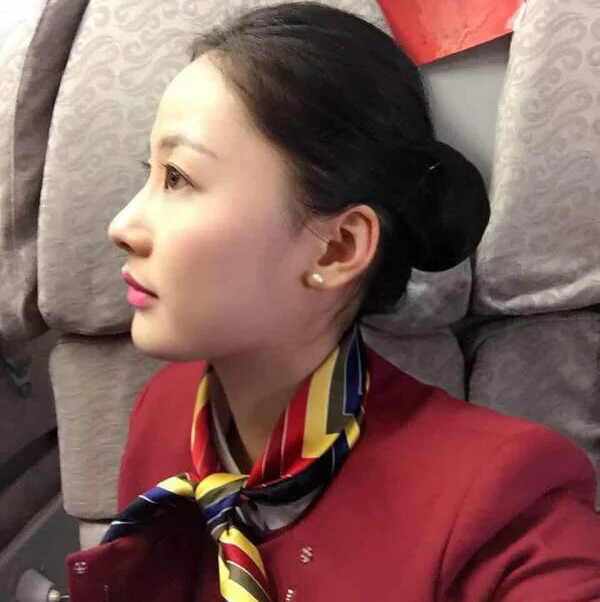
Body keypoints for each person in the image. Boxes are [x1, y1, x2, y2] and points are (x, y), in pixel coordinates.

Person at [65, 2, 600, 601]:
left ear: (338, 248)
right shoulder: (165, 409)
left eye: (178, 178)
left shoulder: (502, 505)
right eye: (152, 172)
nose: (121, 225)